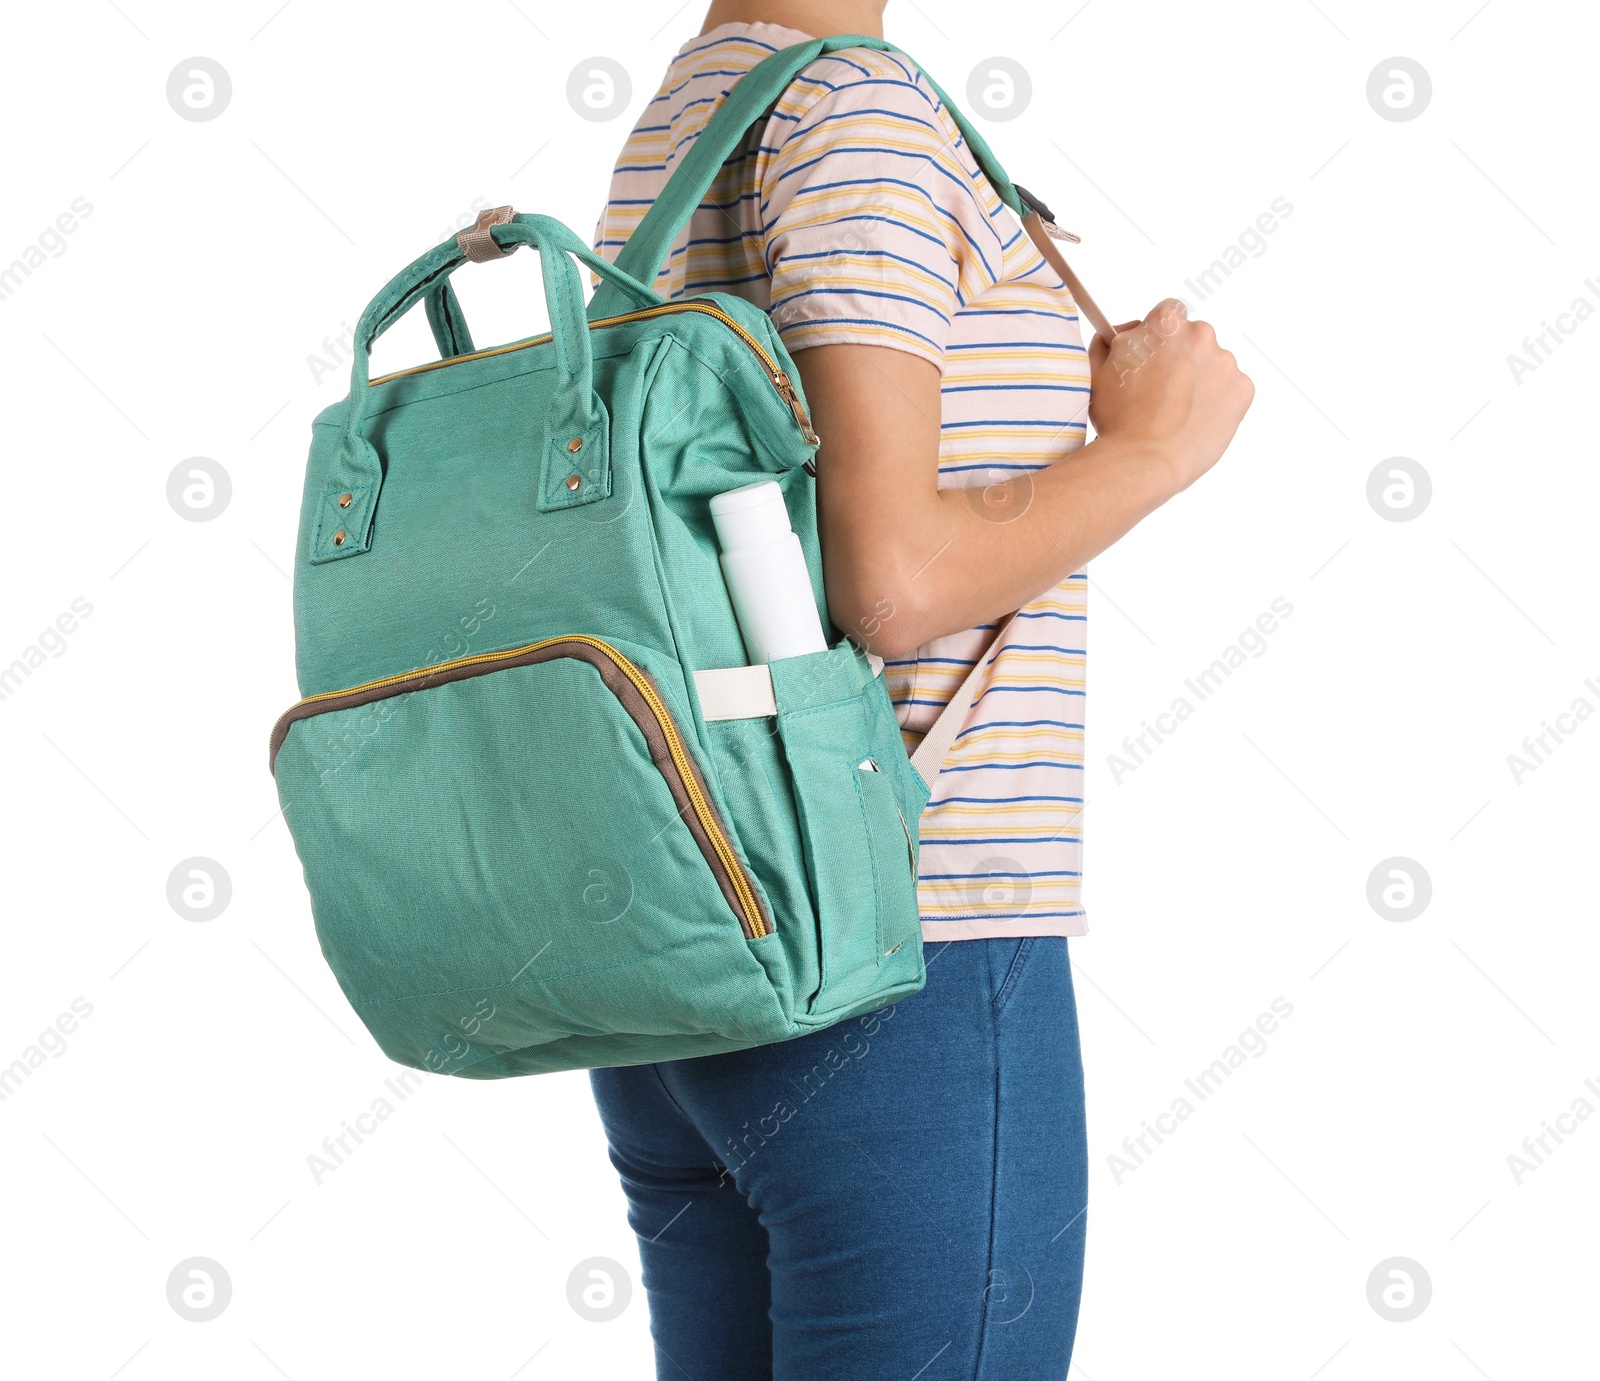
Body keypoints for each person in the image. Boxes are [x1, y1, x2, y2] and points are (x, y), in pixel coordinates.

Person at [588, 2, 1254, 1376]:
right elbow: (886, 577)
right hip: (901, 943)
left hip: (696, 955)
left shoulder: (695, 109)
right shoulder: (856, 112)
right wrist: (1151, 450)